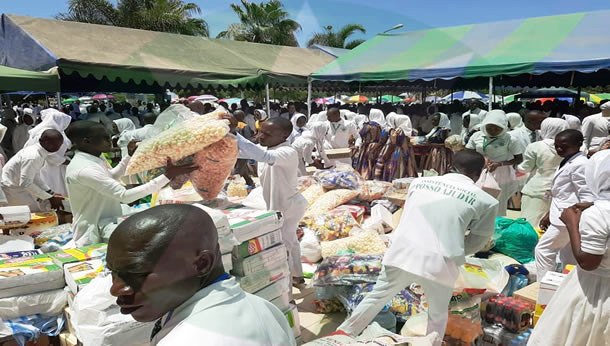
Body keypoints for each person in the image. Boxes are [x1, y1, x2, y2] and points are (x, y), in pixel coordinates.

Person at [336, 150, 499, 345]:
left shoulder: (418, 183)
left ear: (450, 166)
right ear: (478, 173)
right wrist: (456, 248)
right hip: (440, 263)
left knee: (376, 298)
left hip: (401, 252)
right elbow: (478, 240)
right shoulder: (486, 201)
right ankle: (432, 342)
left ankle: (341, 335)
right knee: (437, 315)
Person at [107, 204, 296, 346]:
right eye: (113, 273)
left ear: (201, 264)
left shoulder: (189, 340)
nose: (115, 289)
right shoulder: (265, 309)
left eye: (136, 273)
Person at [65, 121, 197, 246]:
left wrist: (129, 156)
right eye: (105, 138)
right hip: (92, 230)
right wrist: (168, 175)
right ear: (87, 141)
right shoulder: (84, 168)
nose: (110, 141)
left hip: (107, 221)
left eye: (109, 136)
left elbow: (112, 176)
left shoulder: (94, 158)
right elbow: (124, 196)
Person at [528, 150, 610, 346]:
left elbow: (588, 262)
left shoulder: (599, 214)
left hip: (594, 291)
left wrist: (571, 222)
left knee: (574, 335)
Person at [233, 117, 307, 286]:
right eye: (259, 131)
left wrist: (234, 133)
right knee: (290, 241)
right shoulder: (265, 148)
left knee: (283, 247)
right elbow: (244, 151)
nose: (260, 136)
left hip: (289, 206)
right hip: (280, 205)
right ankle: (297, 275)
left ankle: (286, 292)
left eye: (267, 133)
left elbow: (263, 156)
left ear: (284, 136)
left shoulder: (287, 152)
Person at [536, 130, 595, 280]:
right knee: (568, 257)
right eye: (556, 146)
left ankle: (543, 286)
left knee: (544, 250)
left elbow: (587, 196)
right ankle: (564, 287)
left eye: (564, 146)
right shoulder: (568, 159)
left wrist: (572, 216)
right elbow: (563, 193)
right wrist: (550, 213)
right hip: (560, 214)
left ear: (579, 144)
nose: (559, 149)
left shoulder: (580, 164)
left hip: (568, 218)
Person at [466, 110, 524, 216]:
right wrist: (480, 160)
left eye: (497, 128)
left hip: (500, 172)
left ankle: (495, 224)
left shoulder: (510, 139)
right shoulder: (477, 136)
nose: (492, 131)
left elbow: (519, 158)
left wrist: (500, 164)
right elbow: (468, 151)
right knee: (477, 197)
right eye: (489, 127)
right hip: (480, 170)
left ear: (504, 127)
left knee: (498, 200)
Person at [517, 118, 568, 228]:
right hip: (562, 190)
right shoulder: (574, 147)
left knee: (530, 224)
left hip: (536, 189)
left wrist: (517, 167)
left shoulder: (536, 146)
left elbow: (525, 168)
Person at [1, 129, 65, 211]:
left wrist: (49, 192)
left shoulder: (39, 152)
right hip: (12, 189)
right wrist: (49, 197)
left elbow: (35, 176)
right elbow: (25, 183)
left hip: (16, 187)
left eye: (59, 144)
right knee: (32, 213)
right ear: (42, 141)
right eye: (53, 143)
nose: (57, 147)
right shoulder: (33, 156)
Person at [23, 109, 72, 196]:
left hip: (51, 165)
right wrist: (67, 161)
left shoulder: (46, 130)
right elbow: (50, 155)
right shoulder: (46, 133)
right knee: (53, 187)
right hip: (48, 167)